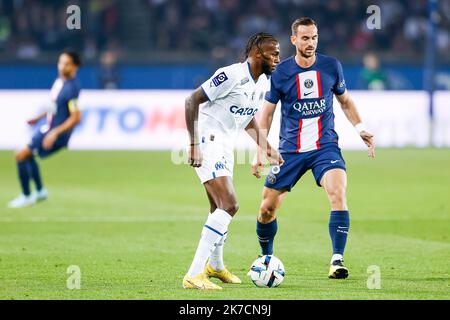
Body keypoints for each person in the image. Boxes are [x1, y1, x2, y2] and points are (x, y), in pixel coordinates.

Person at [251, 18, 375, 279]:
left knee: (338, 193)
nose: (311, 43)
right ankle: (266, 256)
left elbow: (345, 101)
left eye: (314, 37)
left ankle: (337, 260)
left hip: (325, 148)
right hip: (289, 152)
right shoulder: (281, 73)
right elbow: (267, 113)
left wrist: (360, 127)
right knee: (266, 209)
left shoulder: (331, 66)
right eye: (305, 38)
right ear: (294, 40)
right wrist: (261, 147)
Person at [183, 32, 284, 290]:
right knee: (230, 205)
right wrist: (194, 144)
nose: (278, 58)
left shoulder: (261, 83)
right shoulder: (230, 75)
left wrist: (267, 147)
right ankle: (194, 274)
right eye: (274, 53)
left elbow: (247, 118)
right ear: (257, 53)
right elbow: (192, 100)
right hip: (207, 141)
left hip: (225, 144)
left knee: (217, 207)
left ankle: (215, 266)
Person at [7, 50, 82, 208]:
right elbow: (54, 107)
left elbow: (76, 117)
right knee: (27, 156)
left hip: (54, 132)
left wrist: (54, 133)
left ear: (76, 66)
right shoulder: (59, 82)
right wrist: (39, 117)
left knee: (21, 155)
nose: (63, 66)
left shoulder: (72, 88)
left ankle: (27, 196)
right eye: (61, 62)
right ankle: (40, 192)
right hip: (47, 127)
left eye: (67, 64)